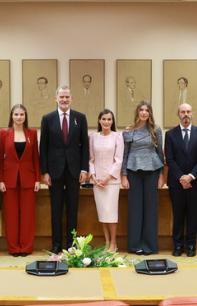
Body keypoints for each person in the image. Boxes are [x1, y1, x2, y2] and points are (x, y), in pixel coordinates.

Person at [40, 86, 89, 253]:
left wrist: (84, 169)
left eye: (67, 97)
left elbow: (85, 145)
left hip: (74, 170)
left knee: (73, 208)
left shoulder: (80, 118)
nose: (64, 100)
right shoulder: (47, 119)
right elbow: (43, 147)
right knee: (56, 208)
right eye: (61, 97)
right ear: (56, 98)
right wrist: (45, 172)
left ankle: (71, 244)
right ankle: (56, 244)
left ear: (72, 98)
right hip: (54, 170)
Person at [121, 101, 164, 256]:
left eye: (147, 110)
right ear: (137, 112)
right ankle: (135, 245)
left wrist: (161, 175)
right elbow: (125, 154)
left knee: (150, 209)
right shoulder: (128, 130)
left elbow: (160, 153)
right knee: (135, 209)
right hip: (133, 171)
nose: (144, 112)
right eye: (142, 110)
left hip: (152, 171)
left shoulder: (156, 129)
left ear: (150, 113)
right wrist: (124, 175)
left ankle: (149, 246)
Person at [0, 104, 40, 256]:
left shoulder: (32, 133)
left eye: (22, 114)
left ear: (25, 116)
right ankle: (14, 248)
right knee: (11, 216)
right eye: (16, 114)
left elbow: (36, 157)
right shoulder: (4, 133)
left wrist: (38, 179)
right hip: (9, 179)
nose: (19, 117)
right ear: (12, 116)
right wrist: (0, 180)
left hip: (28, 179)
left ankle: (26, 247)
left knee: (28, 216)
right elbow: (0, 158)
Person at [165, 103, 197, 257]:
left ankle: (191, 246)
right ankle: (177, 246)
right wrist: (182, 178)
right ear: (178, 115)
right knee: (177, 215)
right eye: (183, 112)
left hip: (195, 183)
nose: (186, 114)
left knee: (192, 216)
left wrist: (191, 177)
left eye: (188, 111)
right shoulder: (170, 134)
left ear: (192, 114)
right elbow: (169, 159)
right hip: (176, 183)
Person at [89, 109, 123, 252]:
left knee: (111, 213)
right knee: (102, 213)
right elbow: (91, 159)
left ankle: (114, 243)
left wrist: (107, 178)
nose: (106, 122)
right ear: (99, 120)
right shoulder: (93, 137)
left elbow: (118, 160)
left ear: (112, 121)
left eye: (109, 119)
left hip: (112, 182)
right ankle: (107, 242)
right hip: (97, 182)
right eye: (104, 119)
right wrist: (94, 177)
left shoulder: (117, 137)